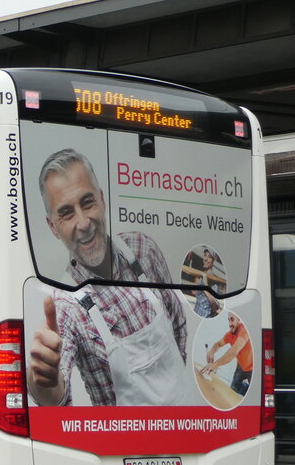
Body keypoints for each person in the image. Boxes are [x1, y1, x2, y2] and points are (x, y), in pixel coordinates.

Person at [27, 148, 188, 407]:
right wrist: (43, 380)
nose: (83, 223)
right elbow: (58, 395)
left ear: (102, 199)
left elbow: (177, 321)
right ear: (53, 227)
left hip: (186, 432)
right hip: (124, 446)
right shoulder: (65, 304)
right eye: (66, 213)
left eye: (87, 202)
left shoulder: (142, 249)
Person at [201, 311, 253, 396]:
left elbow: (233, 352)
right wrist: (211, 351)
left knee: (253, 394)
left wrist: (214, 365)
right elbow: (218, 344)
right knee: (234, 387)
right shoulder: (230, 334)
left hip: (252, 368)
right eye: (228, 320)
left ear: (238, 319)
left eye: (232, 320)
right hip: (241, 366)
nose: (230, 323)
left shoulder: (244, 330)